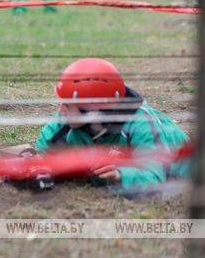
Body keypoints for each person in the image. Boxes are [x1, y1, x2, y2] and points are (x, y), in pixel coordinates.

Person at [34, 58, 190, 195]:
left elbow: (154, 179)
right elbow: (42, 152)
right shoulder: (68, 120)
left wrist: (119, 175)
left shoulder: (141, 124)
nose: (60, 111)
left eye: (67, 106)